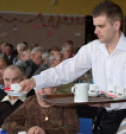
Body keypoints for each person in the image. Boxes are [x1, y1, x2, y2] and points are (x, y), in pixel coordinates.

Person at [20, 1, 126, 134]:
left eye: (101, 26)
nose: (95, 31)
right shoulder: (93, 48)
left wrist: (108, 103)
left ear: (116, 25)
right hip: (102, 118)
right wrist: (34, 81)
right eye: (95, 26)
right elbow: (67, 69)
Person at [2, 86, 79, 134]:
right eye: (38, 87)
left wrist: (45, 132)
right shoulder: (30, 102)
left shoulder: (65, 104)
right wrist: (30, 130)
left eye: (45, 87)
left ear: (55, 88)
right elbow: (8, 123)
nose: (41, 91)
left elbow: (72, 128)